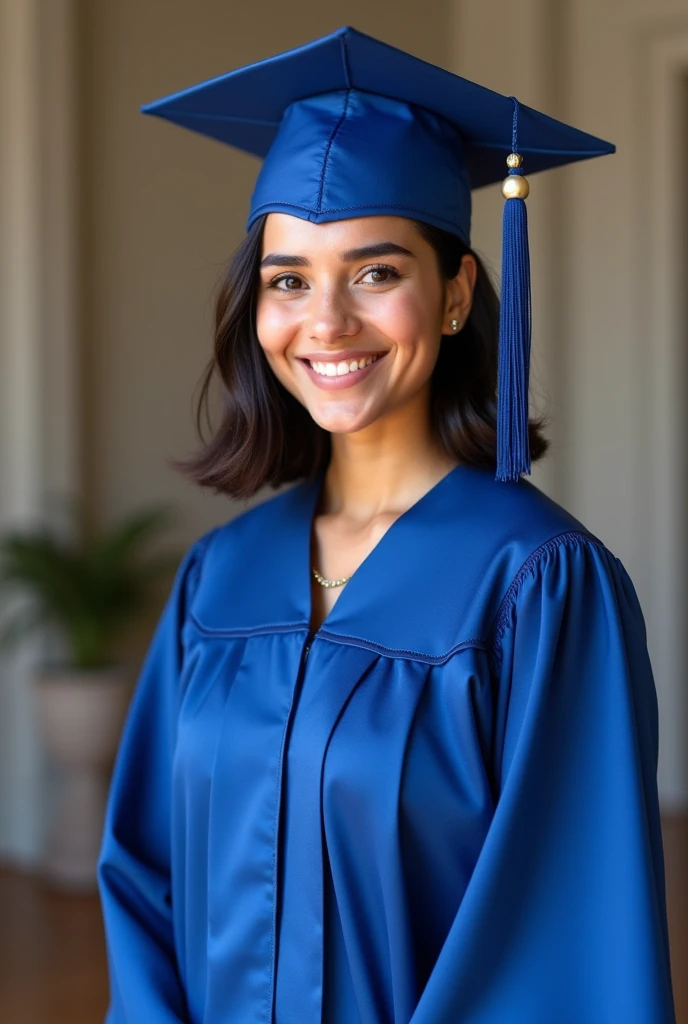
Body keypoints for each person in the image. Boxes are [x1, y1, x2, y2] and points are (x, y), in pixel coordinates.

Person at [97, 26, 677, 1024]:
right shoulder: (219, 576)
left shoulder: (538, 582)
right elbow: (143, 872)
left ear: (453, 294)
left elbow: (560, 931)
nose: (324, 321)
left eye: (375, 271)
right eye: (288, 278)